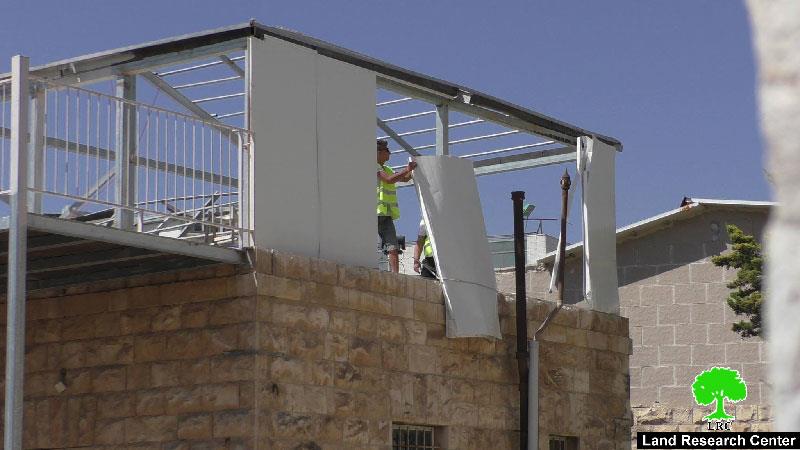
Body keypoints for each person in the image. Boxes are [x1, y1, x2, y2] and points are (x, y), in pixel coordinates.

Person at [377, 139, 416, 272]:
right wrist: (407, 169)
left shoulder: (387, 169)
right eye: (387, 150)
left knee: (393, 245)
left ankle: (395, 276)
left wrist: (412, 171)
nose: (389, 153)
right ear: (378, 152)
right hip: (375, 212)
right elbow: (389, 180)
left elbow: (403, 178)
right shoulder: (373, 166)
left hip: (385, 213)